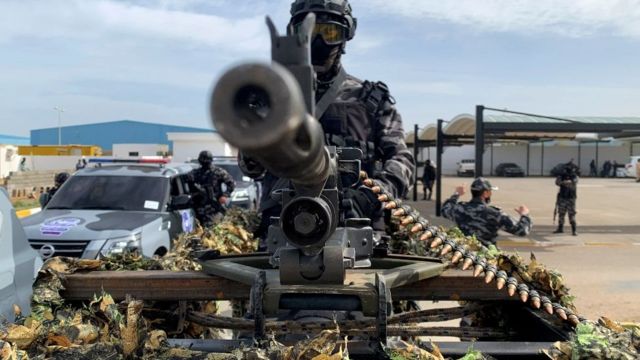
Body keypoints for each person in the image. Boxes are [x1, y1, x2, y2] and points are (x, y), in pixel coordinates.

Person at [245, 0, 415, 247]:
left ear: (346, 35)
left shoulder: (370, 100)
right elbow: (252, 169)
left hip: (358, 232)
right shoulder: (272, 98)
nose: (319, 41)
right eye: (309, 30)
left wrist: (372, 195)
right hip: (283, 233)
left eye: (330, 32)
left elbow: (403, 161)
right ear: (295, 33)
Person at [441, 178, 531, 246]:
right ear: (485, 193)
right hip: (486, 260)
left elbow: (445, 210)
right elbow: (522, 230)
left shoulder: (459, 209)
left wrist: (456, 194)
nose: (491, 194)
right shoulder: (494, 214)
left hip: (464, 255)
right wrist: (525, 215)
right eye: (490, 191)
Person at [188, 150, 236, 227]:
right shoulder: (194, 173)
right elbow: (187, 187)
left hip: (214, 208)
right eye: (203, 161)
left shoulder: (218, 172)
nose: (205, 163)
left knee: (212, 230)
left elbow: (231, 183)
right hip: (198, 208)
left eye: (206, 161)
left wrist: (225, 195)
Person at [553, 165, 578, 235]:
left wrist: (564, 182)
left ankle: (574, 230)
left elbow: (574, 182)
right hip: (563, 198)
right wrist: (564, 181)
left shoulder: (574, 177)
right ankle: (560, 228)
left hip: (570, 198)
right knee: (561, 213)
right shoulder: (562, 176)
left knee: (571, 214)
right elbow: (557, 182)